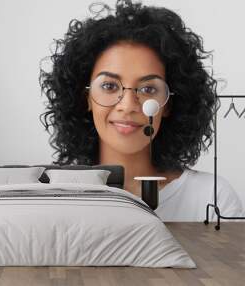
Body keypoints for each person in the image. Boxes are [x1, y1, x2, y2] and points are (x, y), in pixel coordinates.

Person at [38, 0, 244, 221]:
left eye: (148, 89)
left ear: (169, 104)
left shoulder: (210, 198)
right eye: (109, 86)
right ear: (86, 97)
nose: (127, 106)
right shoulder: (54, 197)